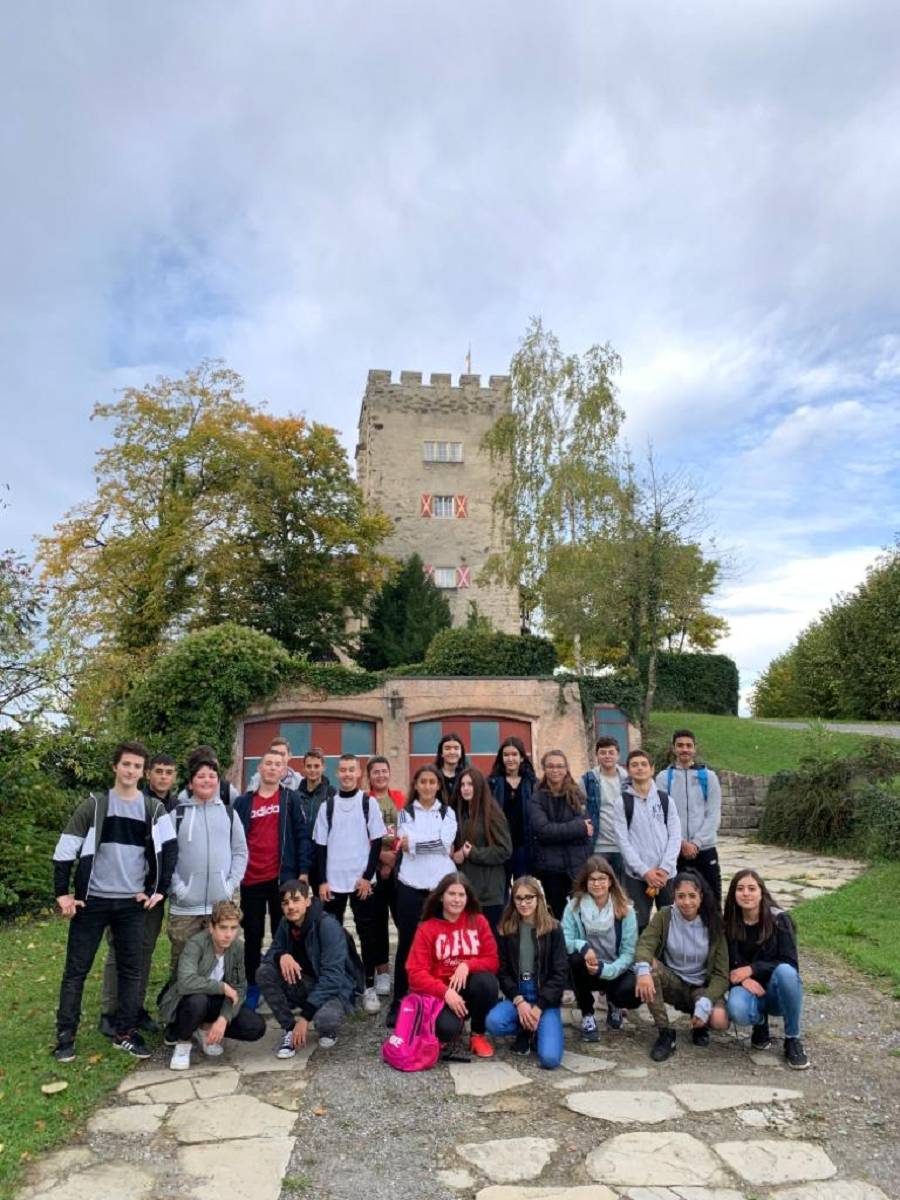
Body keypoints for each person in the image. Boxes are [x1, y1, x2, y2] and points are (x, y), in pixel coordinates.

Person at [52, 741, 177, 1062]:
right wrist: (62, 893)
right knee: (76, 971)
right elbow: (66, 848)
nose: (131, 771)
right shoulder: (94, 805)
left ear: (143, 772)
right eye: (126, 764)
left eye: (137, 766)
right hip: (91, 902)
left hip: (131, 905)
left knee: (131, 971)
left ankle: (125, 1033)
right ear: (115, 767)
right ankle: (65, 1037)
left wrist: (158, 889)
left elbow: (169, 850)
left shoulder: (153, 809)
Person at [98, 751, 178, 1039]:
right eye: (158, 771)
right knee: (118, 949)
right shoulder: (135, 801)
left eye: (169, 772)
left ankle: (134, 1008)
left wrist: (162, 887)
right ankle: (110, 1011)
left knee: (144, 950)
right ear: (148, 774)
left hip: (154, 894)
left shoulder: (176, 806)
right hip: (128, 891)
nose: (163, 777)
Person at [234, 747, 312, 1010]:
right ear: (259, 768)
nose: (272, 768)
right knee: (253, 934)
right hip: (251, 879)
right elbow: (234, 840)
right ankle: (253, 986)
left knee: (285, 933)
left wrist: (303, 871)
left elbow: (302, 836)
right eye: (268, 763)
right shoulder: (243, 802)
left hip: (282, 878)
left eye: (277, 764)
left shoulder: (290, 799)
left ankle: (285, 984)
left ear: (284, 771)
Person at [313, 753, 386, 1015]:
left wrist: (367, 876)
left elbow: (377, 842)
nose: (346, 774)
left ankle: (369, 987)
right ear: (337, 773)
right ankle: (336, 986)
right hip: (333, 883)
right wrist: (322, 881)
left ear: (358, 773)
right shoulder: (327, 806)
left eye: (351, 770)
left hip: (361, 882)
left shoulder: (368, 803)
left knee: (368, 935)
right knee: (331, 935)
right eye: (342, 770)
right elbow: (320, 846)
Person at [257, 879, 363, 1056]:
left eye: (296, 900)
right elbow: (270, 955)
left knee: (325, 1020)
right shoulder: (286, 923)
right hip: (304, 983)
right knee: (264, 972)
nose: (291, 907)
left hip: (334, 990)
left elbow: (333, 977)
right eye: (285, 903)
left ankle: (326, 1027)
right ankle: (289, 1029)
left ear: (307, 901)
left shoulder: (327, 925)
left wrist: (305, 1017)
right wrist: (281, 955)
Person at [387, 765, 458, 1027]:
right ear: (416, 785)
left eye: (432, 782)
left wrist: (417, 844)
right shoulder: (405, 813)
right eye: (423, 781)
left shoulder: (448, 812)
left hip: (440, 890)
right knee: (407, 945)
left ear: (439, 785)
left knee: (442, 947)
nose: (427, 786)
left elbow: (445, 844)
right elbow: (406, 844)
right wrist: (430, 843)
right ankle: (398, 1001)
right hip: (410, 886)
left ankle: (439, 1000)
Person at [634, 869, 729, 1061]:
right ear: (674, 896)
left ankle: (699, 1022)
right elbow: (645, 944)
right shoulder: (664, 916)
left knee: (719, 1020)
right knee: (649, 969)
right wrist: (642, 970)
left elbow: (721, 974)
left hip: (701, 986)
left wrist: (707, 1000)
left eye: (692, 896)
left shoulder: (714, 922)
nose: (687, 902)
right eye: (681, 896)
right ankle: (665, 1033)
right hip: (674, 981)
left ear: (701, 897)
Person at [160, 900, 265, 1070]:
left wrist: (224, 1018)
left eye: (233, 928)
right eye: (223, 928)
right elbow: (186, 982)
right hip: (186, 1001)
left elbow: (239, 988)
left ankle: (205, 1029)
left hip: (215, 1002)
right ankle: (183, 1043)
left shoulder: (237, 947)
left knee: (255, 1027)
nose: (228, 934)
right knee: (198, 1001)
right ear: (211, 927)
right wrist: (222, 987)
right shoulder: (196, 944)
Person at [168, 753, 248, 972]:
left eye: (212, 776)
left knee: (219, 966)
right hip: (185, 909)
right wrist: (179, 888)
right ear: (191, 783)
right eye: (201, 776)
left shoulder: (229, 814)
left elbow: (240, 852)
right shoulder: (177, 815)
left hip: (220, 907)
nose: (207, 780)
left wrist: (229, 885)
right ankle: (178, 996)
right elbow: (167, 856)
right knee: (182, 967)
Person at [405, 872, 499, 1058]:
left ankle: (477, 1034)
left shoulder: (478, 921)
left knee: (487, 982)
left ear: (467, 898)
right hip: (439, 994)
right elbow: (415, 973)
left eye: (461, 895)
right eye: (451, 894)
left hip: (468, 988)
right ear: (441, 897)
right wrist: (445, 992)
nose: (457, 899)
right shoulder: (427, 928)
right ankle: (452, 1025)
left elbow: (493, 961)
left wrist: (467, 965)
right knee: (446, 1030)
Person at [723, 869, 810, 1069]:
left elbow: (790, 963)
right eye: (740, 889)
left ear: (761, 892)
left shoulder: (780, 920)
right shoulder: (728, 924)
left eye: (752, 888)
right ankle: (760, 1023)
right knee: (736, 1008)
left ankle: (792, 1039)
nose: (746, 893)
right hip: (747, 987)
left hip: (775, 990)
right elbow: (723, 964)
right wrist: (744, 978)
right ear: (733, 894)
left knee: (786, 972)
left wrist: (752, 969)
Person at [486, 876, 568, 1068]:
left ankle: (539, 1028)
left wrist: (539, 1007)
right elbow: (502, 972)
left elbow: (560, 973)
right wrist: (519, 1000)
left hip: (545, 999)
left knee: (550, 1059)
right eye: (519, 898)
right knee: (493, 1023)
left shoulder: (554, 928)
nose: (524, 903)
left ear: (539, 898)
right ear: (513, 900)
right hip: (519, 994)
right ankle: (526, 1029)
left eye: (529, 897)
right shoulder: (507, 929)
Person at [562, 856, 640, 1042]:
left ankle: (614, 1002)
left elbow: (629, 952)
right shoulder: (574, 906)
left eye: (602, 878)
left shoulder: (626, 909)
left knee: (631, 993)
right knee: (574, 960)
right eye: (592, 879)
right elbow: (564, 939)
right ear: (586, 882)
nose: (597, 884)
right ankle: (587, 1014)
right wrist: (583, 946)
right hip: (587, 967)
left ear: (610, 881)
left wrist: (607, 970)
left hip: (615, 967)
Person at [614, 749, 681, 930]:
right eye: (634, 765)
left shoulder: (665, 800)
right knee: (637, 924)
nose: (639, 768)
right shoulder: (622, 803)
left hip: (666, 875)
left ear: (652, 769)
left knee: (671, 923)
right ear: (628, 770)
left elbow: (675, 836)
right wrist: (645, 871)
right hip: (637, 877)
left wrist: (665, 868)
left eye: (644, 764)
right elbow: (623, 841)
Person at [656, 729, 723, 904]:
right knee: (676, 902)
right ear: (673, 749)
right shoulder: (663, 778)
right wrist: (680, 843)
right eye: (680, 745)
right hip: (674, 850)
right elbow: (661, 815)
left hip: (705, 848)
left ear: (694, 748)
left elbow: (713, 814)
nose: (684, 749)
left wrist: (696, 843)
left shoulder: (709, 777)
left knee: (711, 901)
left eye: (688, 745)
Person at [531, 749, 593, 919]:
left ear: (566, 769)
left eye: (559, 766)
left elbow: (588, 829)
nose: (555, 770)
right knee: (556, 918)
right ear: (544, 769)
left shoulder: (577, 795)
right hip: (551, 870)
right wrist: (577, 828)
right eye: (550, 766)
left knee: (580, 917)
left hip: (576, 868)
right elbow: (543, 831)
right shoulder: (537, 798)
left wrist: (558, 830)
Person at [450, 765, 512, 933]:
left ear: (479, 785)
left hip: (489, 893)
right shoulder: (462, 812)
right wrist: (457, 852)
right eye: (462, 784)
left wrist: (473, 853)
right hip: (467, 889)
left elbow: (505, 850)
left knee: (490, 940)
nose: (465, 788)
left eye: (470, 784)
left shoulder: (492, 813)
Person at [365, 756, 405, 996]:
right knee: (377, 923)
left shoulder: (400, 798)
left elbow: (407, 830)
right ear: (369, 776)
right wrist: (381, 857)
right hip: (374, 869)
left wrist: (393, 859)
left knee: (404, 920)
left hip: (399, 869)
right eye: (376, 772)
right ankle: (382, 972)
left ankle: (408, 969)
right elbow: (361, 835)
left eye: (384, 771)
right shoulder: (364, 801)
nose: (380, 775)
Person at [488, 736, 538, 880]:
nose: (510, 759)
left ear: (522, 758)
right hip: (499, 845)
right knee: (500, 887)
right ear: (501, 758)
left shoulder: (532, 783)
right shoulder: (492, 783)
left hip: (524, 846)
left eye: (514, 754)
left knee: (522, 886)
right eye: (506, 755)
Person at [581, 737, 628, 881]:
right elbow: (580, 808)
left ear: (618, 755)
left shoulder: (628, 780)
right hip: (598, 846)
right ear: (597, 755)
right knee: (598, 885)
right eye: (603, 752)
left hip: (623, 846)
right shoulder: (588, 779)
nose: (607, 756)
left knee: (622, 888)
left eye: (611, 752)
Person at [296, 747, 335, 884]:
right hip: (301, 860)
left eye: (316, 766)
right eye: (309, 766)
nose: (312, 770)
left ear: (323, 767)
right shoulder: (295, 796)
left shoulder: (331, 794)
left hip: (324, 859)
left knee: (324, 897)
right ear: (303, 768)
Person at [435, 731, 467, 805]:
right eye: (447, 748)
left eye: (456, 748)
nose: (452, 752)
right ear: (441, 753)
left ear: (461, 753)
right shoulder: (433, 774)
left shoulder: (469, 775)